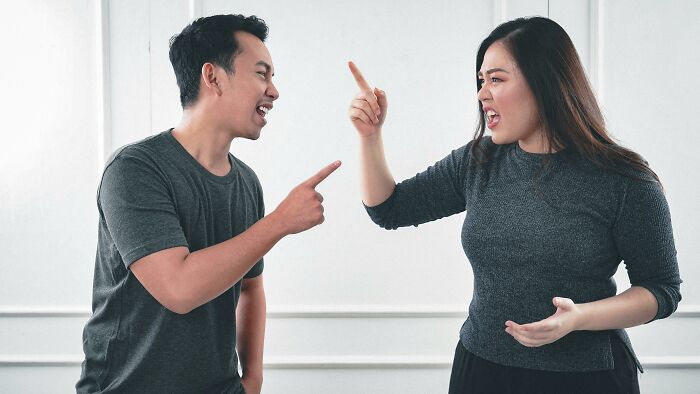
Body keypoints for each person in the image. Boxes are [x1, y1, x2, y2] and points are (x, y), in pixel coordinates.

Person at [347, 16, 681, 394]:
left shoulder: (624, 180)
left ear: (545, 83)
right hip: (482, 370)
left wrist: (579, 318)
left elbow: (661, 289)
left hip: (587, 378)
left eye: (496, 79)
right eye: (481, 81)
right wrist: (370, 137)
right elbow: (390, 209)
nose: (481, 94)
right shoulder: (479, 161)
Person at [77, 14, 340, 394]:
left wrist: (252, 379)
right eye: (262, 74)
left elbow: (250, 288)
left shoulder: (247, 182)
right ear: (213, 77)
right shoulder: (134, 169)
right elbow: (178, 288)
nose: (274, 91)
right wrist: (280, 222)